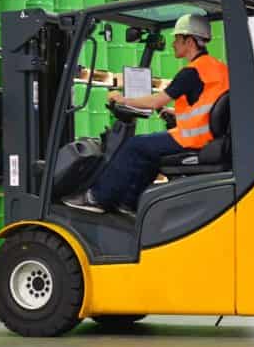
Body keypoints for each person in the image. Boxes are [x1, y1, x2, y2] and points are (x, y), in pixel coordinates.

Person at [63, 14, 229, 215]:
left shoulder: (192, 72)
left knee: (135, 146)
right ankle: (129, 203)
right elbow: (208, 104)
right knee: (149, 153)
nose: (173, 43)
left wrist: (122, 100)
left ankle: (96, 198)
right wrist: (173, 113)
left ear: (190, 41)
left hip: (192, 139)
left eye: (177, 38)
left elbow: (155, 101)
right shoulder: (218, 68)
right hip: (209, 136)